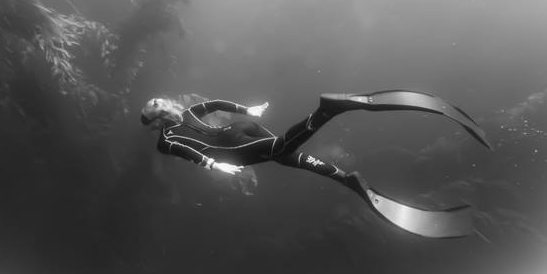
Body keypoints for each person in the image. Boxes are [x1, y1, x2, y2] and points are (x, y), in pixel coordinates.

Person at [140, 90, 492, 238]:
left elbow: (189, 152)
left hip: (232, 149)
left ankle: (328, 110)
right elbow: (214, 102)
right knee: (286, 156)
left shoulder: (164, 141)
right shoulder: (186, 112)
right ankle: (346, 179)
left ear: (156, 123)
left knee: (281, 147)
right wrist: (249, 111)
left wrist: (215, 167)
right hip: (239, 130)